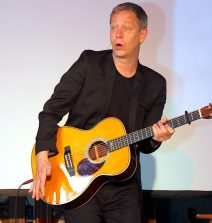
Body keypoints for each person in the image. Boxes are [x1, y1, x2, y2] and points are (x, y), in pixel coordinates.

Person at [29, 2, 174, 223]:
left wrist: (156, 138)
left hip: (124, 185)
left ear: (142, 34)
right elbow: (51, 111)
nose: (118, 33)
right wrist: (42, 155)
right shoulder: (89, 63)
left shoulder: (155, 84)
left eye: (126, 28)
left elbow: (145, 144)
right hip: (79, 180)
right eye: (113, 27)